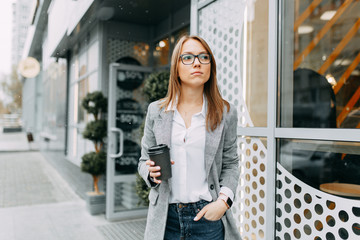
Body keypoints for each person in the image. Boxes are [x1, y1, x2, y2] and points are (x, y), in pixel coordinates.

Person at [138, 35, 241, 240]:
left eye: (204, 57)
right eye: (188, 57)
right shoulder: (156, 111)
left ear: (210, 66)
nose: (197, 62)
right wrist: (150, 173)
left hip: (207, 218)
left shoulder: (226, 112)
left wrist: (223, 202)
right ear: (176, 66)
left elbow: (231, 163)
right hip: (166, 219)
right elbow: (143, 161)